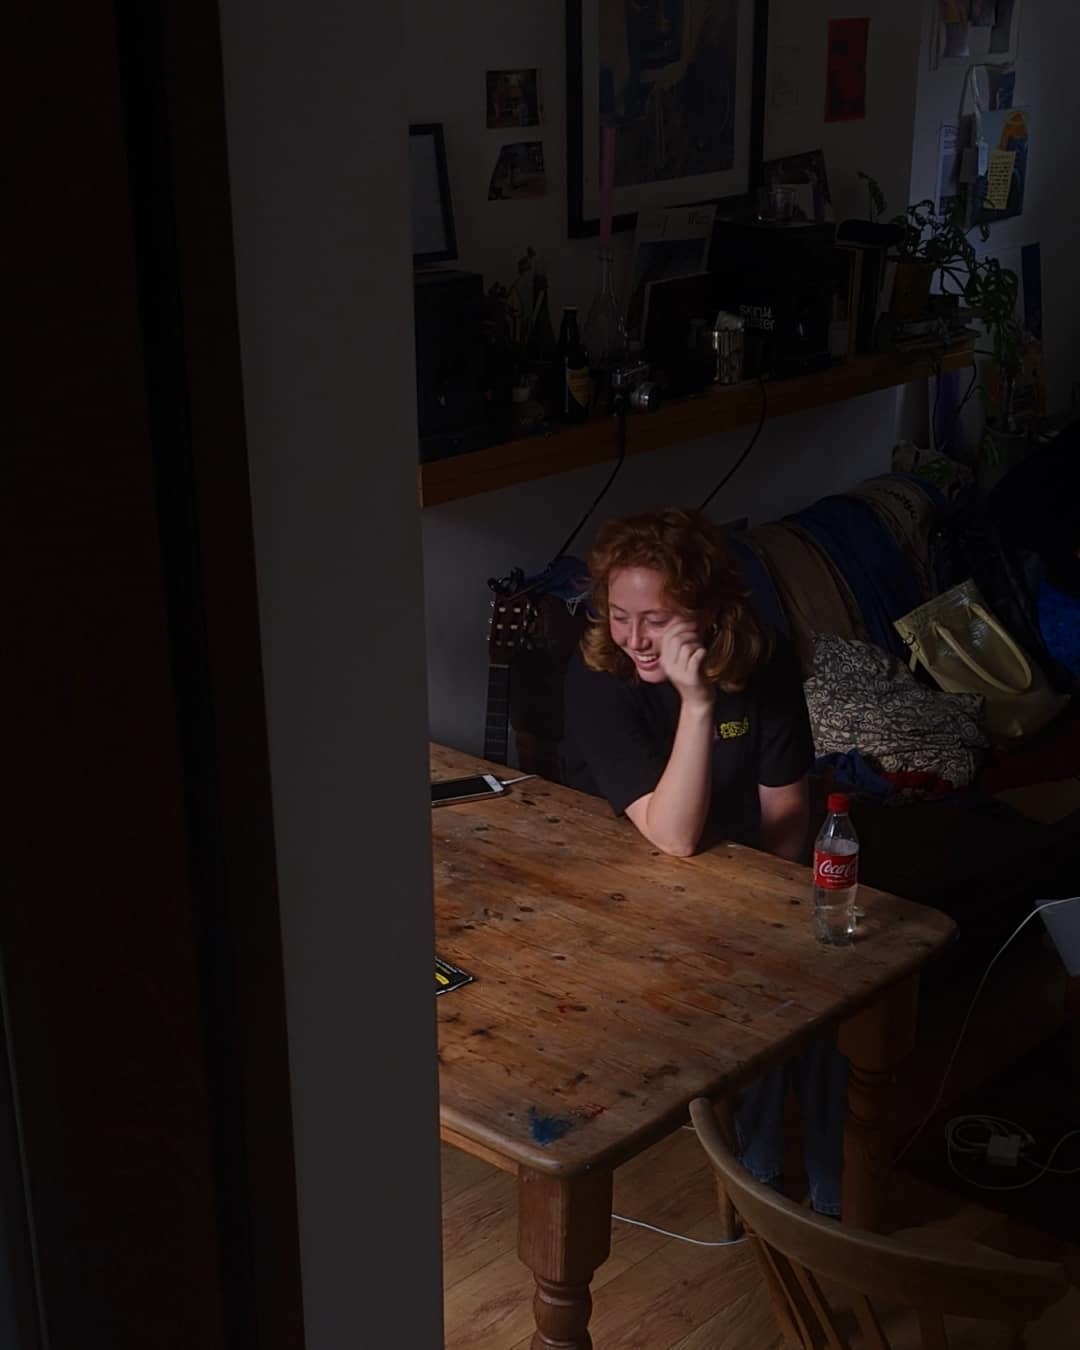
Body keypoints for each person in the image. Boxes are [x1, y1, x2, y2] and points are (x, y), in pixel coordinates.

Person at [561, 506, 846, 1216]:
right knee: (758, 1008)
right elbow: (674, 836)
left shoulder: (764, 659)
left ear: (707, 608)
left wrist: (774, 928)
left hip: (746, 875)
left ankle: (833, 1202)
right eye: (620, 614)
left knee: (818, 997)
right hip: (634, 886)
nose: (633, 638)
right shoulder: (601, 674)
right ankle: (758, 1185)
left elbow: (786, 817)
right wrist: (696, 705)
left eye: (655, 619)